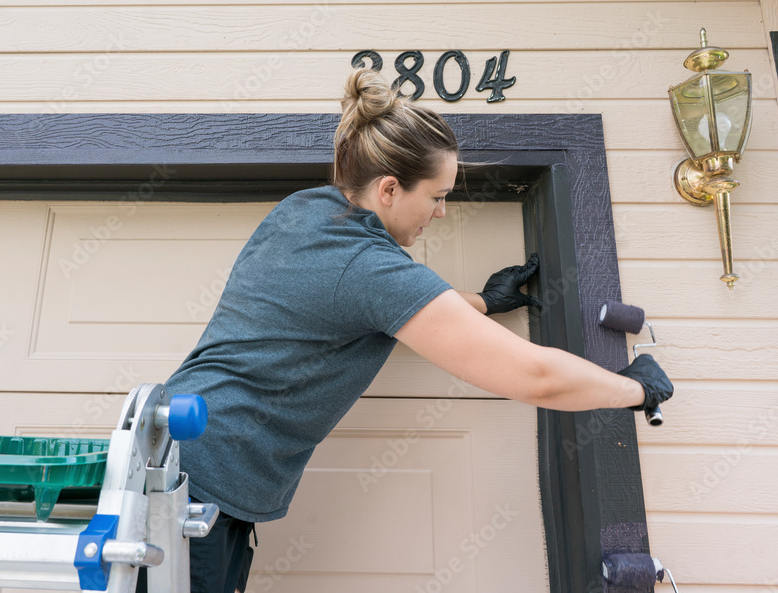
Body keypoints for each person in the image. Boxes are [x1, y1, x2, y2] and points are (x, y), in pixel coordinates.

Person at [158, 68, 673, 593]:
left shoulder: (305, 211)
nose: (443, 213)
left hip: (172, 453)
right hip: (203, 489)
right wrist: (636, 388)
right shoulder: (369, 267)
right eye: (437, 196)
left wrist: (484, 303)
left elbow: (363, 301)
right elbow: (534, 375)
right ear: (388, 189)